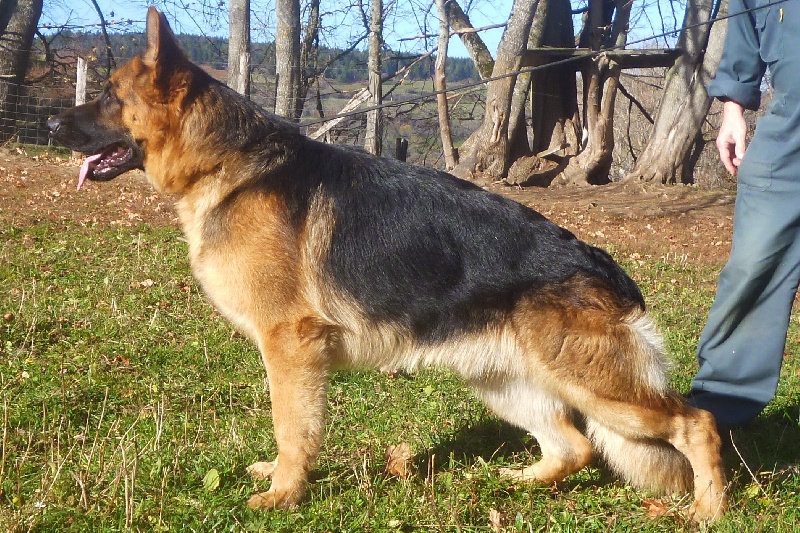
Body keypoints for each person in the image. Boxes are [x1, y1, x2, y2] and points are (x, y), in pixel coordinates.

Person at [688, 0, 798, 428]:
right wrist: (732, 104)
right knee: (753, 265)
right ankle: (719, 409)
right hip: (789, 127)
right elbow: (746, 22)